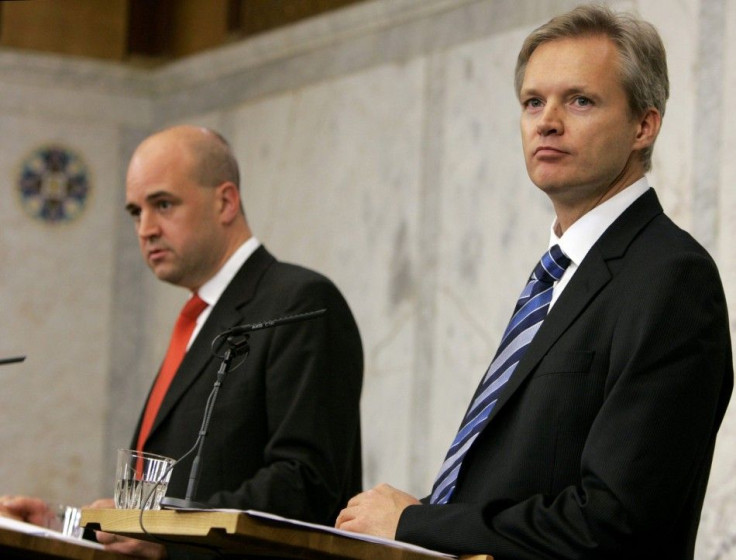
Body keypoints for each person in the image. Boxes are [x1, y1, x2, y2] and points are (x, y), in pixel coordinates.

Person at [335, 5, 733, 559]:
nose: (547, 121)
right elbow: (515, 487)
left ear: (644, 125)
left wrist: (417, 524)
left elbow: (618, 523)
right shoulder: (560, 274)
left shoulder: (670, 278)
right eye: (532, 102)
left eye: (580, 100)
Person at [2, 125, 363, 557]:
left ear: (225, 201)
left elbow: (305, 486)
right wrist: (69, 526)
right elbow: (162, 503)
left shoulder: (298, 302)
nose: (145, 229)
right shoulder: (200, 318)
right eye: (136, 212)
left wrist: (164, 538)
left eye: (163, 204)